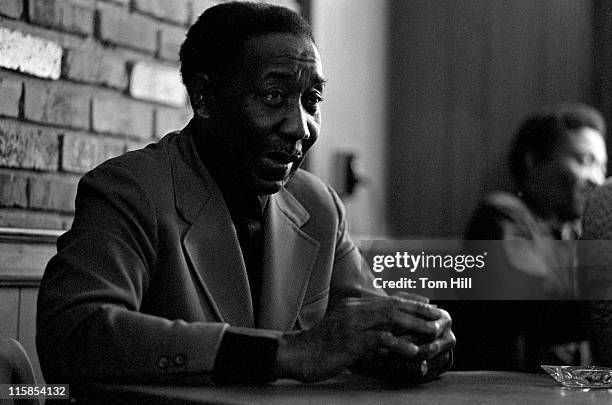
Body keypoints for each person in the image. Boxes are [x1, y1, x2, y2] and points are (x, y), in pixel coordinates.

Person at [36, 2, 454, 387]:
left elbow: (368, 331)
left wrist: (417, 343)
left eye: (311, 100)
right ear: (205, 98)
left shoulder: (319, 206)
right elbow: (74, 333)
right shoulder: (131, 189)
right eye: (274, 96)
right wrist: (291, 352)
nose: (300, 126)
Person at [453, 103, 607, 371]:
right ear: (533, 161)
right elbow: (535, 304)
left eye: (602, 167)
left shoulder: (573, 232)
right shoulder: (500, 216)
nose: (596, 179)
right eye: (585, 161)